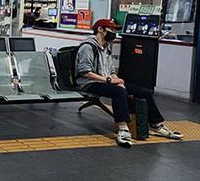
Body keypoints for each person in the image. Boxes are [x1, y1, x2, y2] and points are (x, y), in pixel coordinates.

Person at [75, 18, 183, 148]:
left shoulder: (106, 47)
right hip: (89, 83)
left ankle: (156, 125)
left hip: (106, 81)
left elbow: (110, 70)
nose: (114, 33)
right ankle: (123, 129)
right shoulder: (88, 47)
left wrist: (116, 80)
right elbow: (85, 72)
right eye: (111, 29)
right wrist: (110, 81)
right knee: (119, 92)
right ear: (100, 29)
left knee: (144, 92)